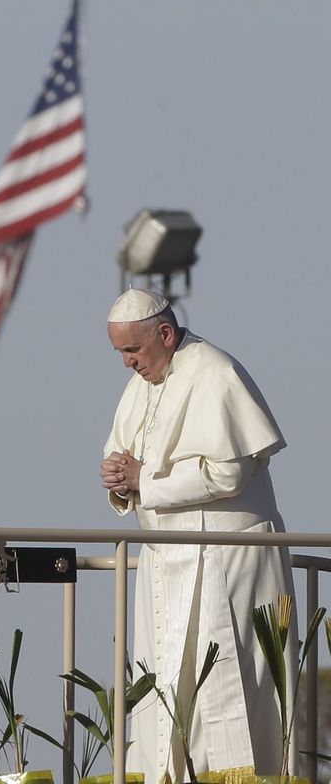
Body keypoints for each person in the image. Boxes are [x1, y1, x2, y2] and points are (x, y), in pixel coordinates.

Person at [99, 289, 294, 782]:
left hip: (227, 560)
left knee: (228, 695)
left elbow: (229, 475)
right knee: (163, 698)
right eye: (121, 353)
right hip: (165, 562)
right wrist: (120, 479)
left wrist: (146, 480)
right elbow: (129, 458)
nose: (128, 364)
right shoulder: (142, 383)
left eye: (133, 351)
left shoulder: (215, 372)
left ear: (164, 334)